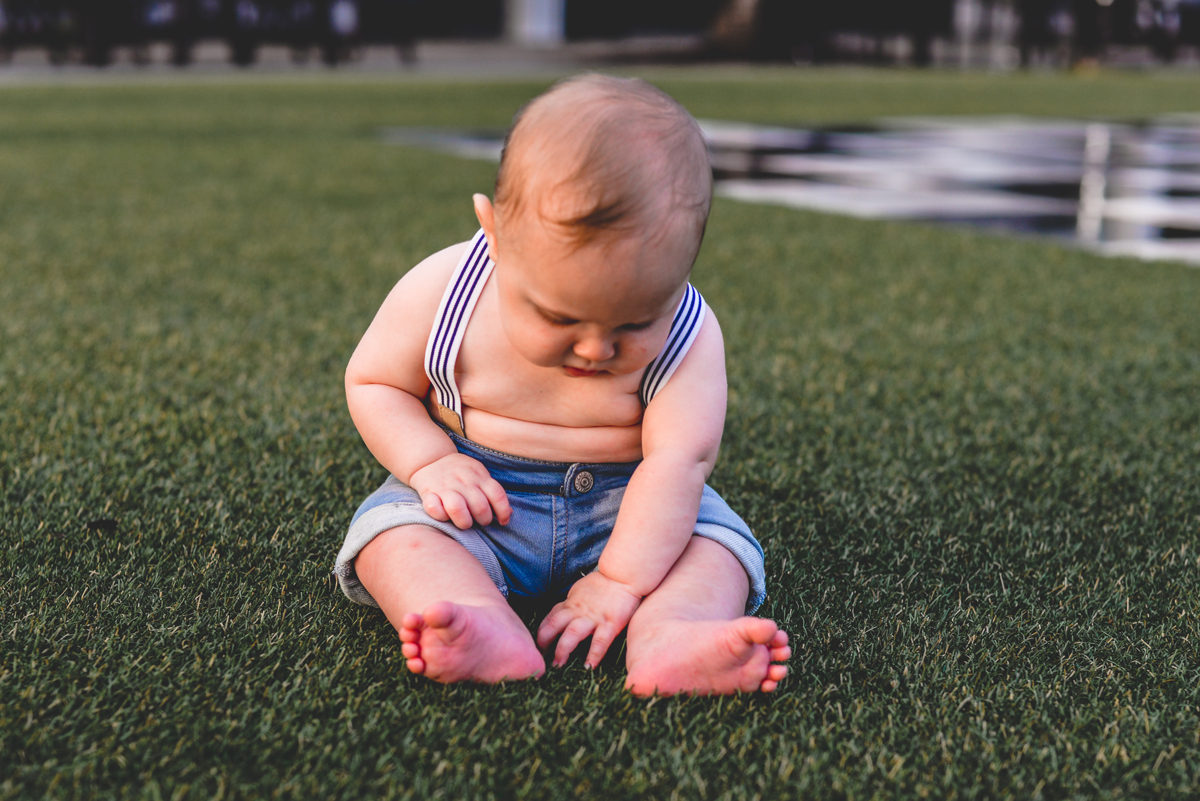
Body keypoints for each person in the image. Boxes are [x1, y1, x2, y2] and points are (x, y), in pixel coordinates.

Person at [334, 74, 790, 696]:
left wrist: (621, 582)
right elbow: (374, 382)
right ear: (494, 235)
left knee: (716, 549)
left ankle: (671, 633)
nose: (596, 348)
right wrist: (430, 463)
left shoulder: (690, 333)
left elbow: (679, 461)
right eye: (559, 317)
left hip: (632, 504)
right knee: (394, 538)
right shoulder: (445, 292)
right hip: (476, 497)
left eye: (633, 322)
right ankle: (479, 619)